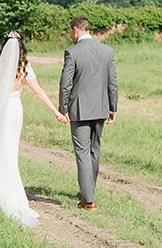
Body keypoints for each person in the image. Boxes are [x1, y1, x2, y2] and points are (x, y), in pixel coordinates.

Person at [0, 31, 67, 226]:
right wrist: (56, 112)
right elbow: (38, 91)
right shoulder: (24, 66)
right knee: (10, 150)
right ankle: (12, 192)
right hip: (14, 109)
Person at [58, 15, 118, 210]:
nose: (70, 35)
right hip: (101, 108)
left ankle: (88, 200)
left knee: (82, 152)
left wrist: (63, 108)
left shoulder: (72, 52)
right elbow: (113, 83)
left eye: (70, 32)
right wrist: (112, 108)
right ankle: (88, 189)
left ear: (76, 29)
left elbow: (65, 84)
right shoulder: (107, 51)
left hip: (80, 110)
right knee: (95, 149)